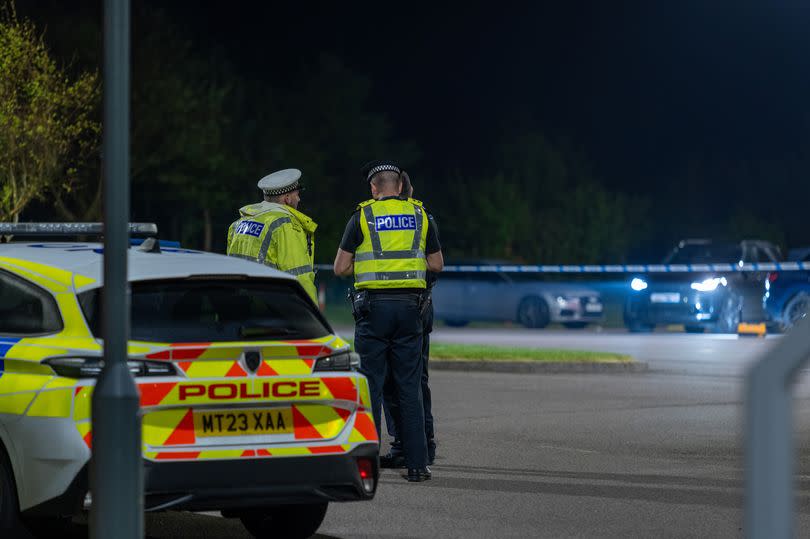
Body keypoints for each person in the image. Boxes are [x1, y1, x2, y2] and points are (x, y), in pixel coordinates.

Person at [333, 160, 444, 482]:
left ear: (373, 187)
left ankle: (365, 466)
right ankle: (417, 465)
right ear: (399, 185)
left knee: (371, 388)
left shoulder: (362, 216)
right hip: (411, 310)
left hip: (373, 312)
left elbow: (340, 268)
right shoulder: (420, 215)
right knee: (410, 387)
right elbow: (436, 263)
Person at [381, 172, 438, 468]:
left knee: (399, 381)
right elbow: (435, 264)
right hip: (418, 307)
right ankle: (418, 446)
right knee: (414, 380)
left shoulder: (411, 217)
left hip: (405, 308)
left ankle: (412, 446)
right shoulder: (421, 216)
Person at [227, 168, 318, 303]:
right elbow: (299, 277)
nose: (299, 199)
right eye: (297, 194)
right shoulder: (285, 225)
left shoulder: (239, 224)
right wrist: (312, 317)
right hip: (271, 311)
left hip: (238, 308)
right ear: (287, 198)